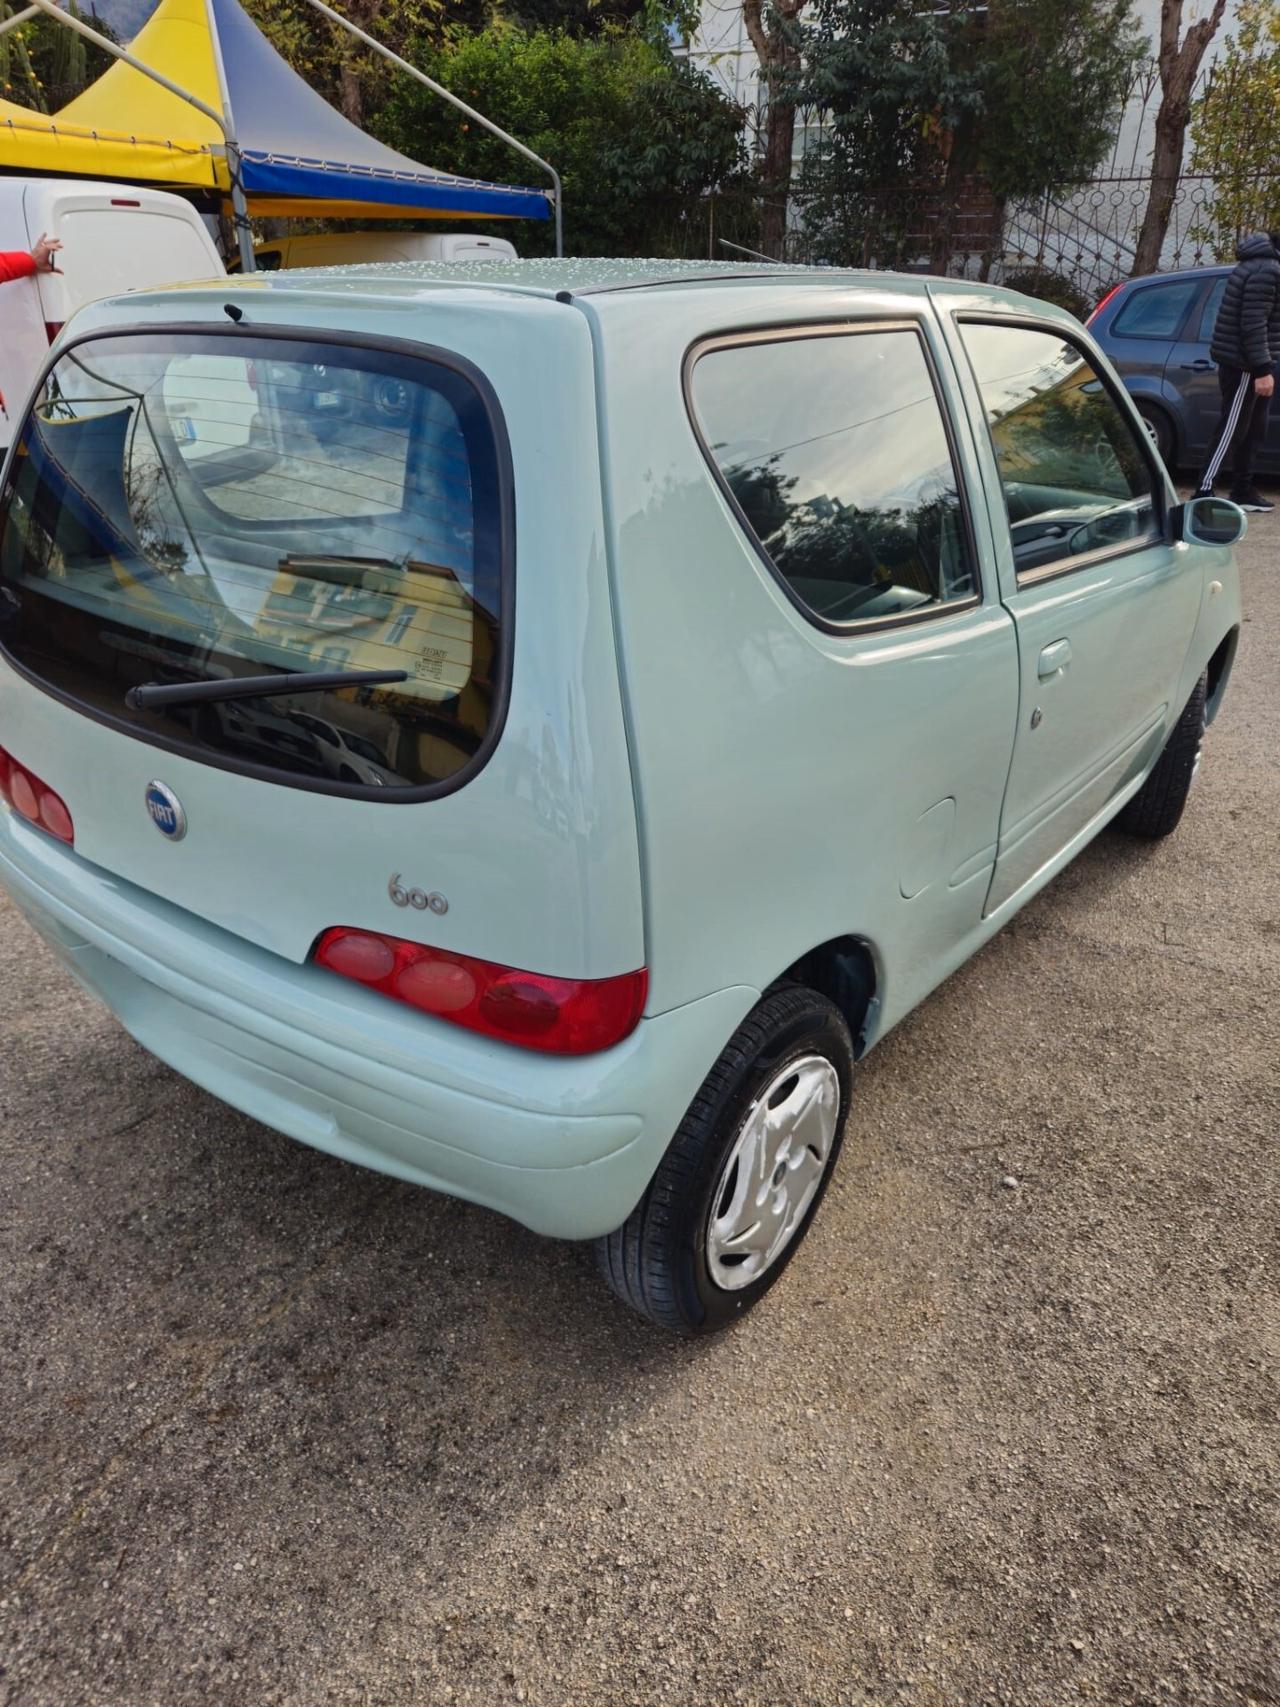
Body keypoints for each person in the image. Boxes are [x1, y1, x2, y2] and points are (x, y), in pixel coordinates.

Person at [1195, 230, 1280, 515]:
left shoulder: (1262, 264)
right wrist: (1262, 369)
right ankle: (1203, 493)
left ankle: (1242, 490)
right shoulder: (1267, 269)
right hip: (1244, 366)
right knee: (1232, 428)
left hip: (1254, 362)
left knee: (1255, 430)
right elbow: (1253, 323)